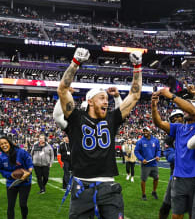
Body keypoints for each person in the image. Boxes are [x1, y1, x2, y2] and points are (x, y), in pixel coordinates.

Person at [56, 47, 143, 218]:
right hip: (82, 187)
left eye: (107, 98)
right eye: (102, 98)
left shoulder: (111, 118)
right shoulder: (76, 117)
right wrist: (75, 64)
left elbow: (134, 95)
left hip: (108, 186)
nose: (107, 101)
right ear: (90, 101)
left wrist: (137, 67)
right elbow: (62, 90)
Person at [152, 87, 195, 219]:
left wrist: (171, 96)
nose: (184, 111)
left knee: (194, 215)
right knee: (176, 215)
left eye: (187, 108)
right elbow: (158, 123)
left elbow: (194, 112)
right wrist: (154, 106)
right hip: (178, 178)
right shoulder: (178, 127)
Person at [0, 136, 33, 219]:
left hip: (25, 182)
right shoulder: (1, 157)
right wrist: (11, 175)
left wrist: (28, 173)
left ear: (9, 143)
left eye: (5, 143)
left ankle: (24, 217)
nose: (4, 145)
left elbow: (30, 163)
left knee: (23, 204)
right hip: (11, 183)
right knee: (10, 206)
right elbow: (2, 171)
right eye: (1, 144)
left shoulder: (20, 152)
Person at [159, 109, 184, 219]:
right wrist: (185, 154)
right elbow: (170, 157)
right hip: (175, 175)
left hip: (194, 176)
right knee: (166, 206)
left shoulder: (192, 131)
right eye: (173, 119)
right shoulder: (169, 137)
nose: (176, 119)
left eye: (178, 116)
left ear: (183, 117)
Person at [134, 126, 161, 200]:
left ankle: (154, 191)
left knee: (156, 178)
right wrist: (142, 159)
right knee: (144, 180)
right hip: (145, 164)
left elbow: (158, 149)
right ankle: (143, 194)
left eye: (147, 131)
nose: (145, 132)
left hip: (154, 163)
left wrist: (158, 156)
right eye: (144, 131)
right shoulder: (140, 141)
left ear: (150, 131)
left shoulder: (155, 140)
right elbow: (136, 151)